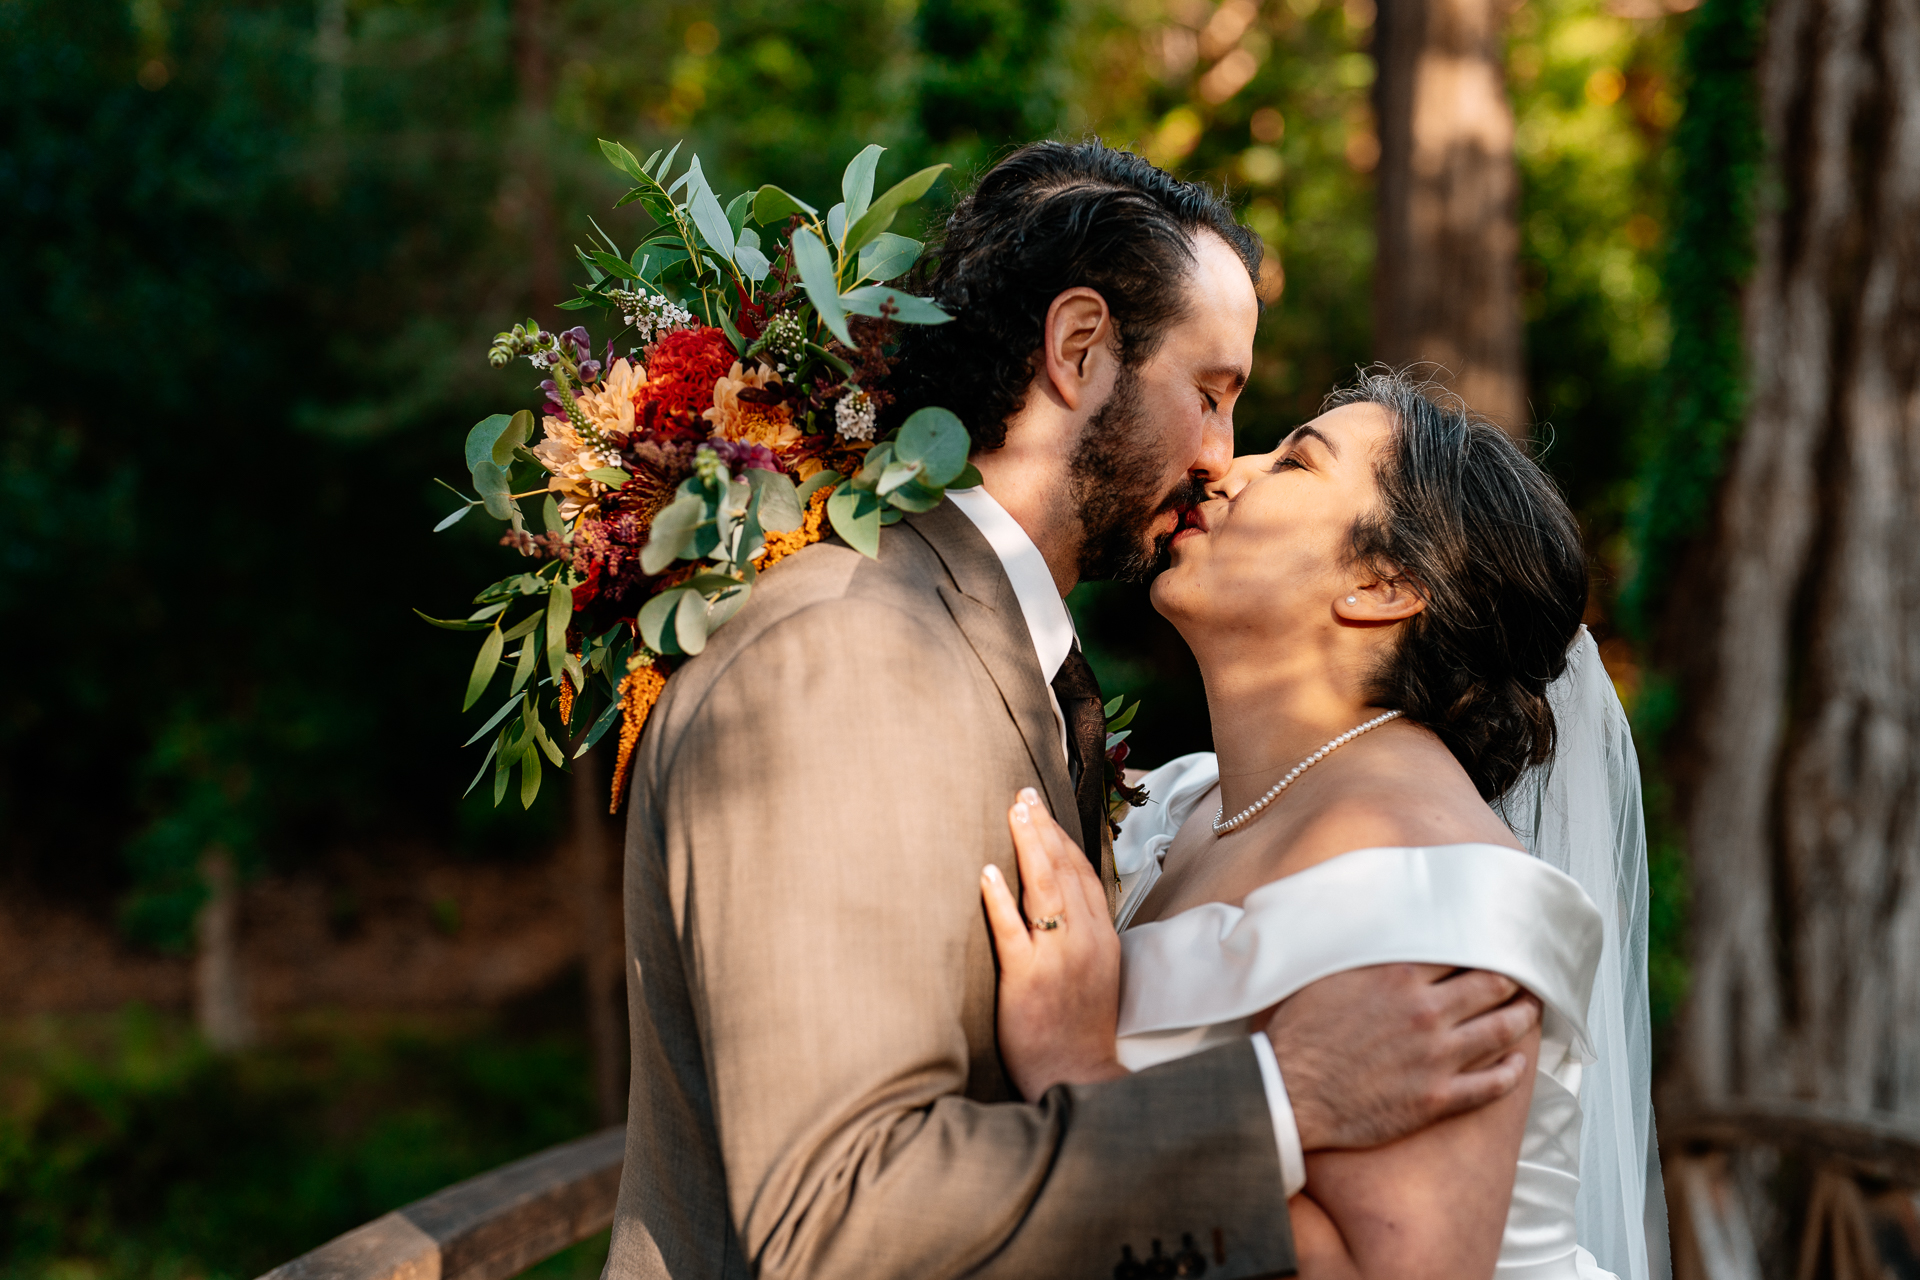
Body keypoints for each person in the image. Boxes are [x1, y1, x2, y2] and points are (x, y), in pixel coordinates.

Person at [606, 143, 1546, 1278]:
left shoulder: (1012, 667)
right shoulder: (849, 649)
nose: (1218, 461)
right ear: (1081, 348)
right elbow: (837, 1220)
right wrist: (1279, 1096)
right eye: (1210, 394)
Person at [980, 370, 1667, 1280]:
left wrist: (1080, 1075)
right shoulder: (1182, 806)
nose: (1224, 467)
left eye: (1295, 460)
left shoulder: (1443, 891)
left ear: (1383, 586)